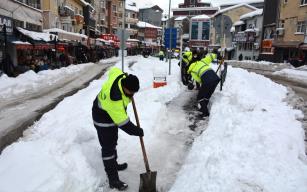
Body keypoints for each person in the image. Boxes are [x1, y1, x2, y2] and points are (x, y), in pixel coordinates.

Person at [92, 67, 144, 191]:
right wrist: (137, 131)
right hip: (102, 118)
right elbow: (124, 124)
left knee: (113, 141)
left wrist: (125, 75)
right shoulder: (114, 98)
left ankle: (114, 165)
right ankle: (113, 179)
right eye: (130, 92)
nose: (132, 95)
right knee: (108, 148)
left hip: (110, 115)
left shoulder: (120, 77)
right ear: (124, 87)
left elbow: (113, 70)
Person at [187, 48, 220, 117]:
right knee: (207, 95)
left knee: (200, 97)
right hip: (215, 78)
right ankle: (203, 108)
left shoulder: (192, 70)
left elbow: (198, 80)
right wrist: (216, 53)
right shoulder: (202, 61)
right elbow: (210, 57)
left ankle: (205, 113)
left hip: (207, 79)